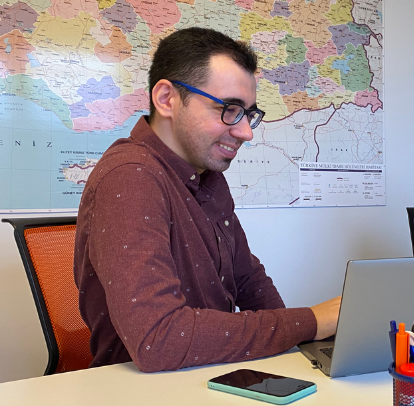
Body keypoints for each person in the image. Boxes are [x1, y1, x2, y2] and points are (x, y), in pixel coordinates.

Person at [73, 27, 340, 373]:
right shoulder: (130, 176)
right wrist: (312, 321)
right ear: (167, 98)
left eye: (249, 114)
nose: (246, 131)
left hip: (208, 374)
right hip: (145, 390)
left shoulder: (207, 177)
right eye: (229, 109)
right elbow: (159, 339)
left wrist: (303, 350)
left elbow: (248, 281)